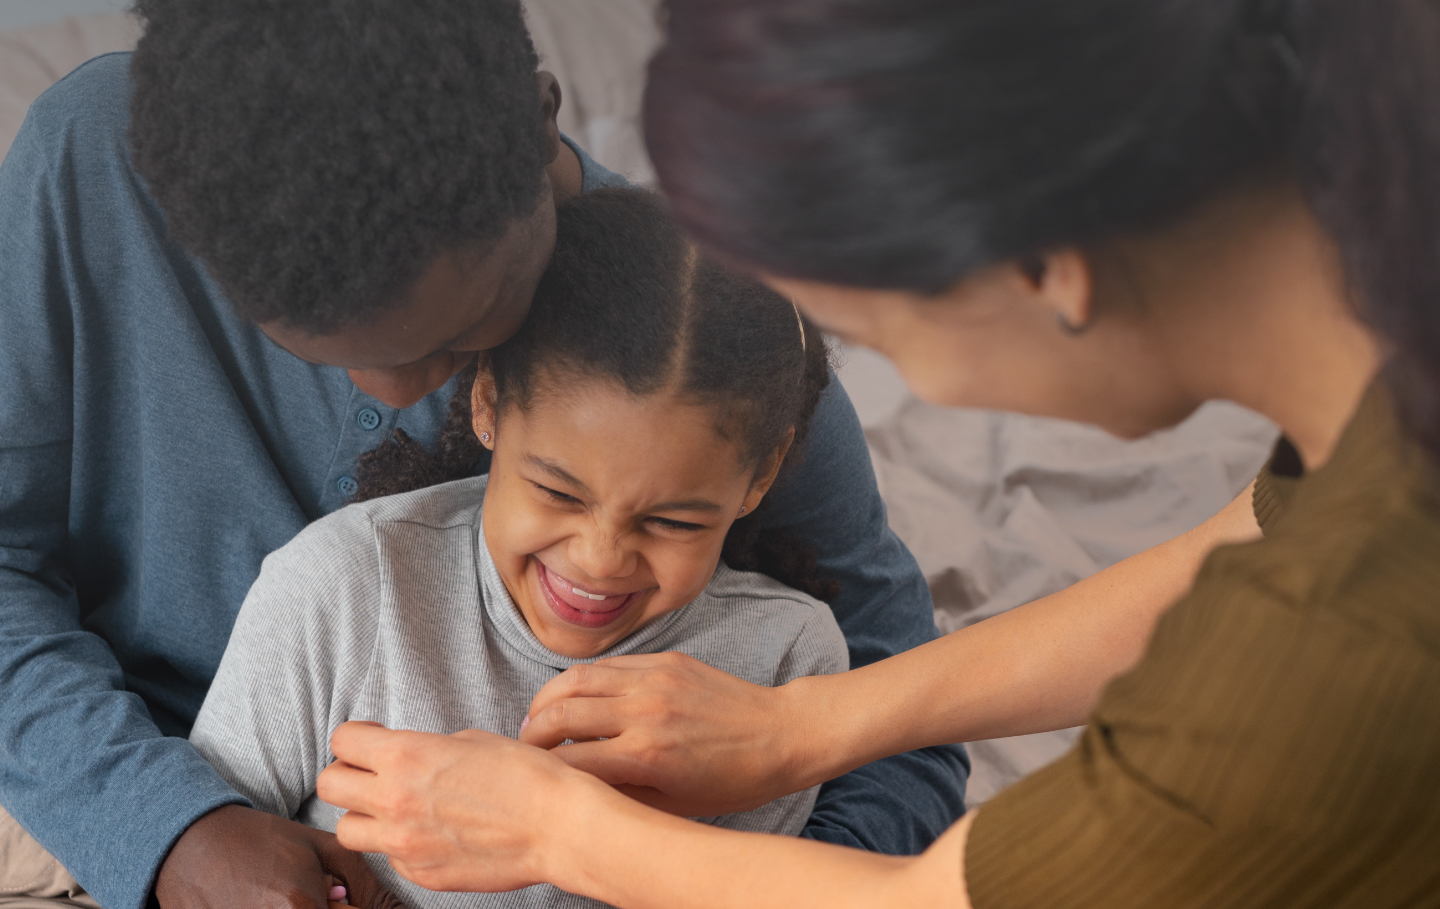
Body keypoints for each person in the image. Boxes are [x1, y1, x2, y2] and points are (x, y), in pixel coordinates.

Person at [314, 0, 1440, 906]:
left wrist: (559, 830)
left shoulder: (1329, 657)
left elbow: (933, 899)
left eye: (883, 335)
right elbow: (1250, 537)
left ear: (1044, 269)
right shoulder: (1381, 368)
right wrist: (806, 726)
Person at [0, 2, 966, 909]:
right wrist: (170, 828)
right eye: (317, 348)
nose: (401, 394)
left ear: (540, 120)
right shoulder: (95, 163)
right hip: (134, 768)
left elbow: (900, 721)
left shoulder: (704, 343)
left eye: (463, 335)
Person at [189, 188, 850, 909]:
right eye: (559, 493)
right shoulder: (345, 584)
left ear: (760, 475)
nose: (599, 560)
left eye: (672, 522)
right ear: (488, 402)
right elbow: (210, 850)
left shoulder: (785, 667)